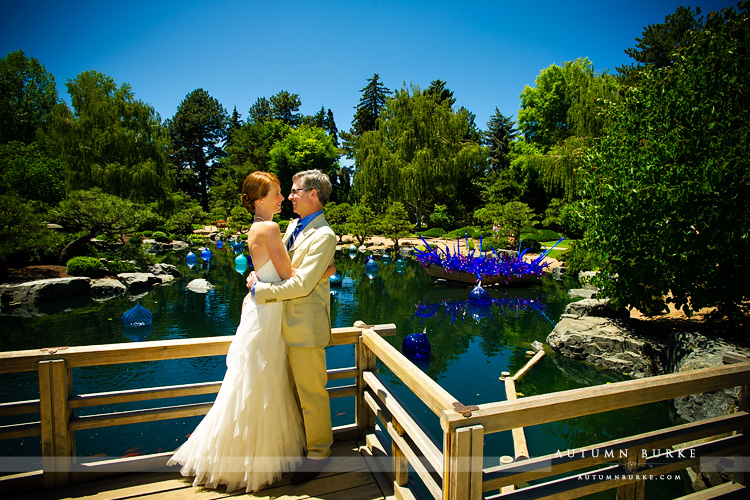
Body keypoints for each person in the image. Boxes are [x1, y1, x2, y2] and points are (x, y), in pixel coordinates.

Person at [168, 171, 308, 492]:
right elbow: (289, 275)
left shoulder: (255, 228)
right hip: (269, 314)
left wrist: (258, 280)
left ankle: (244, 458)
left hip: (262, 311)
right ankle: (257, 461)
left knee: (254, 381)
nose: (282, 197)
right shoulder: (269, 228)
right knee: (265, 381)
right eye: (275, 192)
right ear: (260, 198)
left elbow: (269, 272)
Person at [247, 169, 337, 483]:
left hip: (305, 327)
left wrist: (261, 291)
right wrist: (258, 275)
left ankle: (319, 455)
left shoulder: (325, 235)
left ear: (314, 194)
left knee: (312, 395)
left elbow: (300, 285)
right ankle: (297, 445)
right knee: (288, 393)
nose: (290, 196)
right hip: (276, 325)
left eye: (297, 190)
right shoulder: (291, 226)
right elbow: (279, 265)